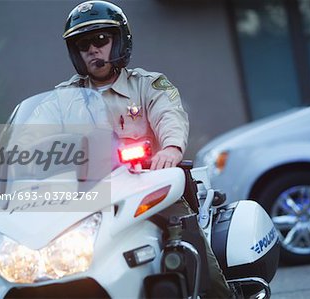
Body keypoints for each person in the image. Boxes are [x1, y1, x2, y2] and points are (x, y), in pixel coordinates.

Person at [60, 1, 232, 298]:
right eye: (83, 43)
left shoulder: (149, 85)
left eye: (101, 39)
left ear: (120, 41)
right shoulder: (63, 98)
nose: (93, 49)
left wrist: (170, 148)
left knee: (189, 244)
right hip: (88, 199)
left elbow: (170, 116)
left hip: (148, 191)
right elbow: (31, 135)